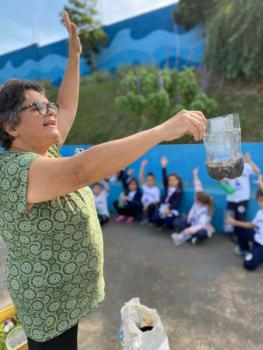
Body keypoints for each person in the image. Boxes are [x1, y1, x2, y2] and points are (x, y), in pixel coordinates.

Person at [0, 12, 206, 349]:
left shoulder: (45, 151)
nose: (50, 111)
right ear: (10, 127)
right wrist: (162, 131)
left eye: (46, 103)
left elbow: (65, 106)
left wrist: (75, 54)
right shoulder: (14, 169)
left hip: (67, 297)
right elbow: (82, 170)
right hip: (48, 304)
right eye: (37, 108)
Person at [224, 153, 260, 255]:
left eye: (236, 157)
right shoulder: (227, 169)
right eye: (231, 157)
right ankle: (236, 239)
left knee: (240, 220)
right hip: (231, 199)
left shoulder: (245, 166)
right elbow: (222, 181)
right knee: (231, 220)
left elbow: (257, 171)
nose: (233, 159)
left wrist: (249, 161)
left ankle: (243, 244)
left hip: (242, 199)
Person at [227, 176, 263, 271]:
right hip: (257, 238)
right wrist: (235, 222)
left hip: (261, 245)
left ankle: (256, 253)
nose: (261, 203)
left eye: (262, 201)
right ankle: (245, 249)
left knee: (248, 264)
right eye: (260, 201)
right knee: (240, 229)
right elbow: (251, 225)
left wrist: (261, 185)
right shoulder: (259, 213)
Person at [172, 168, 215, 245]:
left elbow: (200, 226)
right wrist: (195, 174)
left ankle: (193, 237)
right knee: (178, 221)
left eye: (196, 196)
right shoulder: (198, 201)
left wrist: (188, 230)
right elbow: (197, 186)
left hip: (200, 228)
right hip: (192, 223)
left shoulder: (205, 213)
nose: (194, 196)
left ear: (199, 200)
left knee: (201, 233)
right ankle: (192, 238)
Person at [151, 157, 183, 230]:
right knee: (155, 217)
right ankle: (160, 224)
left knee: (168, 219)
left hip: (172, 208)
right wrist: (163, 167)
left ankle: (169, 225)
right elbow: (164, 177)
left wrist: (169, 208)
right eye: (170, 180)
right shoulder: (167, 187)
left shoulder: (179, 191)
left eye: (173, 180)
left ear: (178, 181)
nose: (171, 181)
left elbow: (176, 202)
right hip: (163, 206)